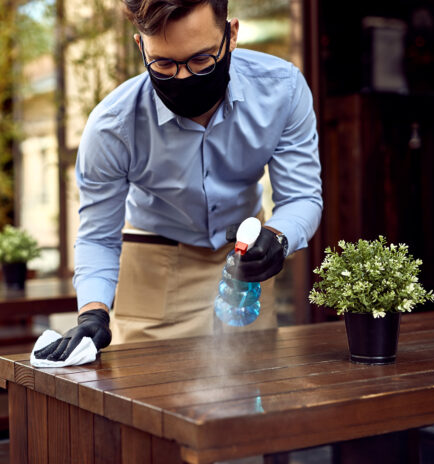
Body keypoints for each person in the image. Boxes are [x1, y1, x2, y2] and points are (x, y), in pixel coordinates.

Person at [35, 0, 322, 362]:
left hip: (246, 265)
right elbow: (97, 235)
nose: (184, 77)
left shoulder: (282, 90)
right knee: (145, 403)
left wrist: (278, 238)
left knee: (252, 396)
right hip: (155, 270)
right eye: (165, 64)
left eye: (201, 60)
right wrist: (93, 311)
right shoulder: (113, 125)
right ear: (141, 46)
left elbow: (302, 197)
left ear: (231, 35)